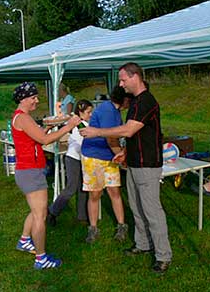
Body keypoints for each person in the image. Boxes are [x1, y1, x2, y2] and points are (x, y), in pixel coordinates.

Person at [80, 62, 172, 273]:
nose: (120, 85)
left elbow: (129, 131)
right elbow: (137, 135)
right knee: (136, 207)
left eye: (123, 80)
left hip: (147, 165)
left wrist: (97, 132)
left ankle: (163, 255)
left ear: (135, 77)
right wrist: (125, 153)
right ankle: (142, 244)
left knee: (152, 210)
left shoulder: (147, 101)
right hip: (134, 162)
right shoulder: (136, 102)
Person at [11, 82, 80, 270]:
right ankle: (41, 258)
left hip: (28, 170)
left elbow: (36, 137)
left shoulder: (22, 118)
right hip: (30, 171)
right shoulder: (23, 118)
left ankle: (25, 240)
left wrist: (49, 127)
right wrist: (69, 126)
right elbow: (43, 140)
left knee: (35, 210)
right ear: (24, 99)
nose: (37, 100)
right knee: (40, 215)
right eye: (33, 97)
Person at [81, 85, 130, 244]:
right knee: (95, 194)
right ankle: (93, 228)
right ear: (124, 99)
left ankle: (121, 225)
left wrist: (119, 154)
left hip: (109, 156)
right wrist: (121, 156)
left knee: (114, 191)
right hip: (94, 156)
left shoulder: (114, 111)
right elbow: (110, 138)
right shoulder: (108, 111)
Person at [47, 100, 94, 226]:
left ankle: (82, 216)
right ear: (80, 112)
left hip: (83, 159)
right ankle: (52, 211)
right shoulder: (79, 125)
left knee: (83, 188)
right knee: (71, 188)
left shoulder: (85, 123)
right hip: (73, 159)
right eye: (88, 112)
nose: (91, 114)